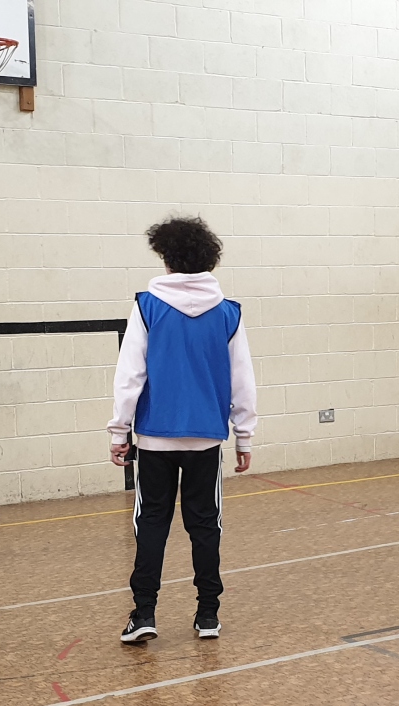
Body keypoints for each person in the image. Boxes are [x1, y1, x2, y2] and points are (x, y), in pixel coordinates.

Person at [108, 216, 257, 642]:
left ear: (166, 258)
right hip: (206, 438)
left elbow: (130, 375)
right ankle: (208, 614)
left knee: (152, 524)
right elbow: (243, 380)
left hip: (156, 437)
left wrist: (119, 431)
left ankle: (144, 614)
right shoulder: (228, 313)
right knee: (205, 526)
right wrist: (244, 434)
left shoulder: (147, 307)